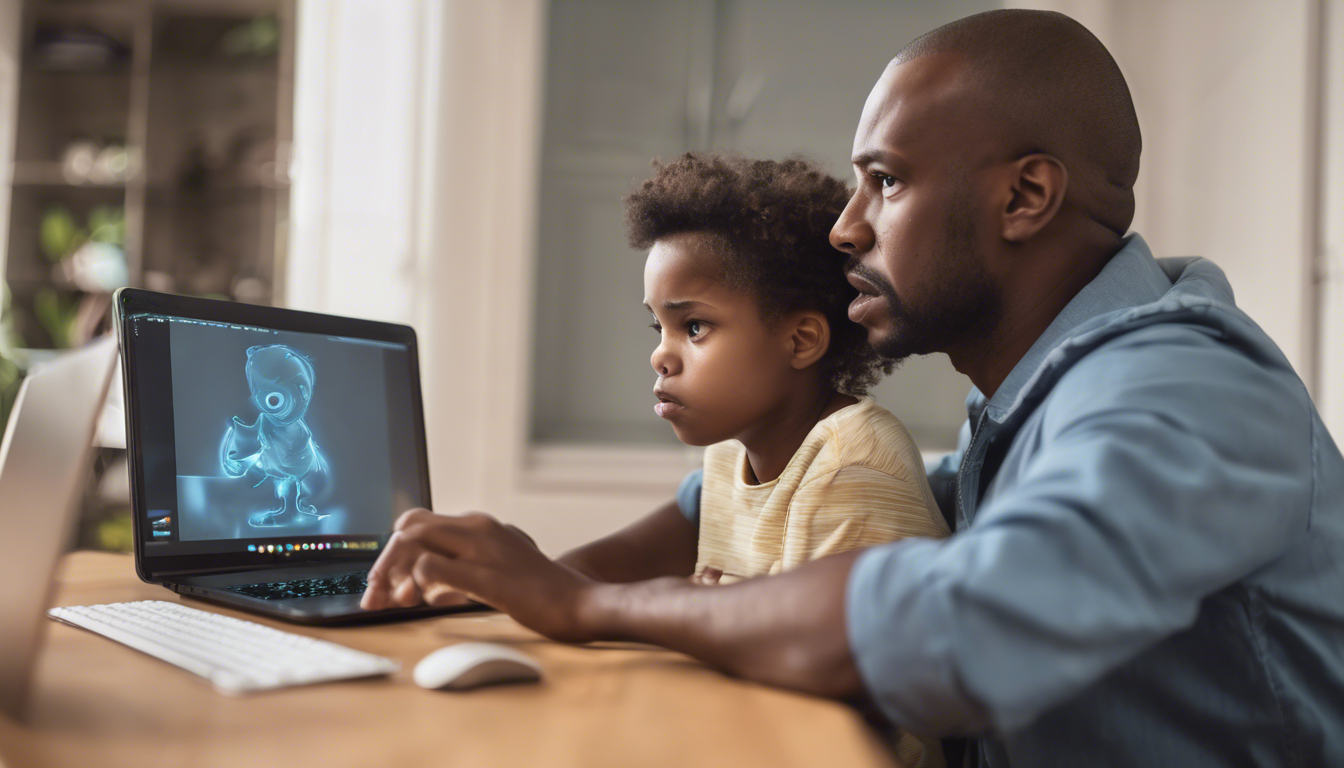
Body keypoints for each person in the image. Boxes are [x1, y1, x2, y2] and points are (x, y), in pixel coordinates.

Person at [361, 9, 1344, 767]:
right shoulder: (1039, 409)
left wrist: (591, 611)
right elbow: (726, 499)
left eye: (885, 181)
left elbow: (954, 621)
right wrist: (510, 589)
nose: (846, 227)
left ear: (1025, 197)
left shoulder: (1175, 391)